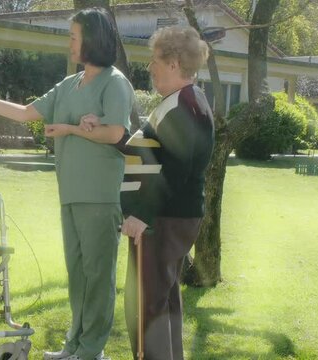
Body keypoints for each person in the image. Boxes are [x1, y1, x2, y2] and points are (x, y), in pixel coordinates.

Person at [0, 7, 133, 360]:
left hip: (99, 197)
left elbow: (116, 132)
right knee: (78, 276)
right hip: (71, 195)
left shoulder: (115, 81)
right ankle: (74, 345)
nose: (69, 43)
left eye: (73, 36)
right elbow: (26, 112)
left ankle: (91, 350)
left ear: (91, 39)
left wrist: (72, 129)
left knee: (97, 277)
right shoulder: (71, 84)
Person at [117, 26, 214, 360]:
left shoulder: (182, 107)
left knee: (146, 307)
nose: (150, 68)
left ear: (173, 63)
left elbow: (176, 170)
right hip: (168, 218)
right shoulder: (180, 103)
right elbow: (152, 152)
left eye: (154, 60)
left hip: (162, 219)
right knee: (164, 303)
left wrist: (141, 215)